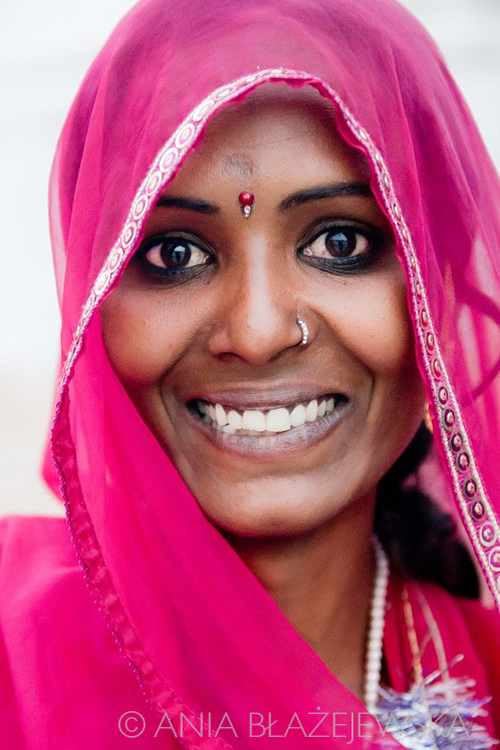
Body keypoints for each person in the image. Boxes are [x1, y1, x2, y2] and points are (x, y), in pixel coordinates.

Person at [1, 0, 499, 747]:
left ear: (440, 281)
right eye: (175, 254)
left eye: (339, 242)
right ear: (91, 299)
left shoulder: (486, 675)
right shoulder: (16, 660)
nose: (259, 333)